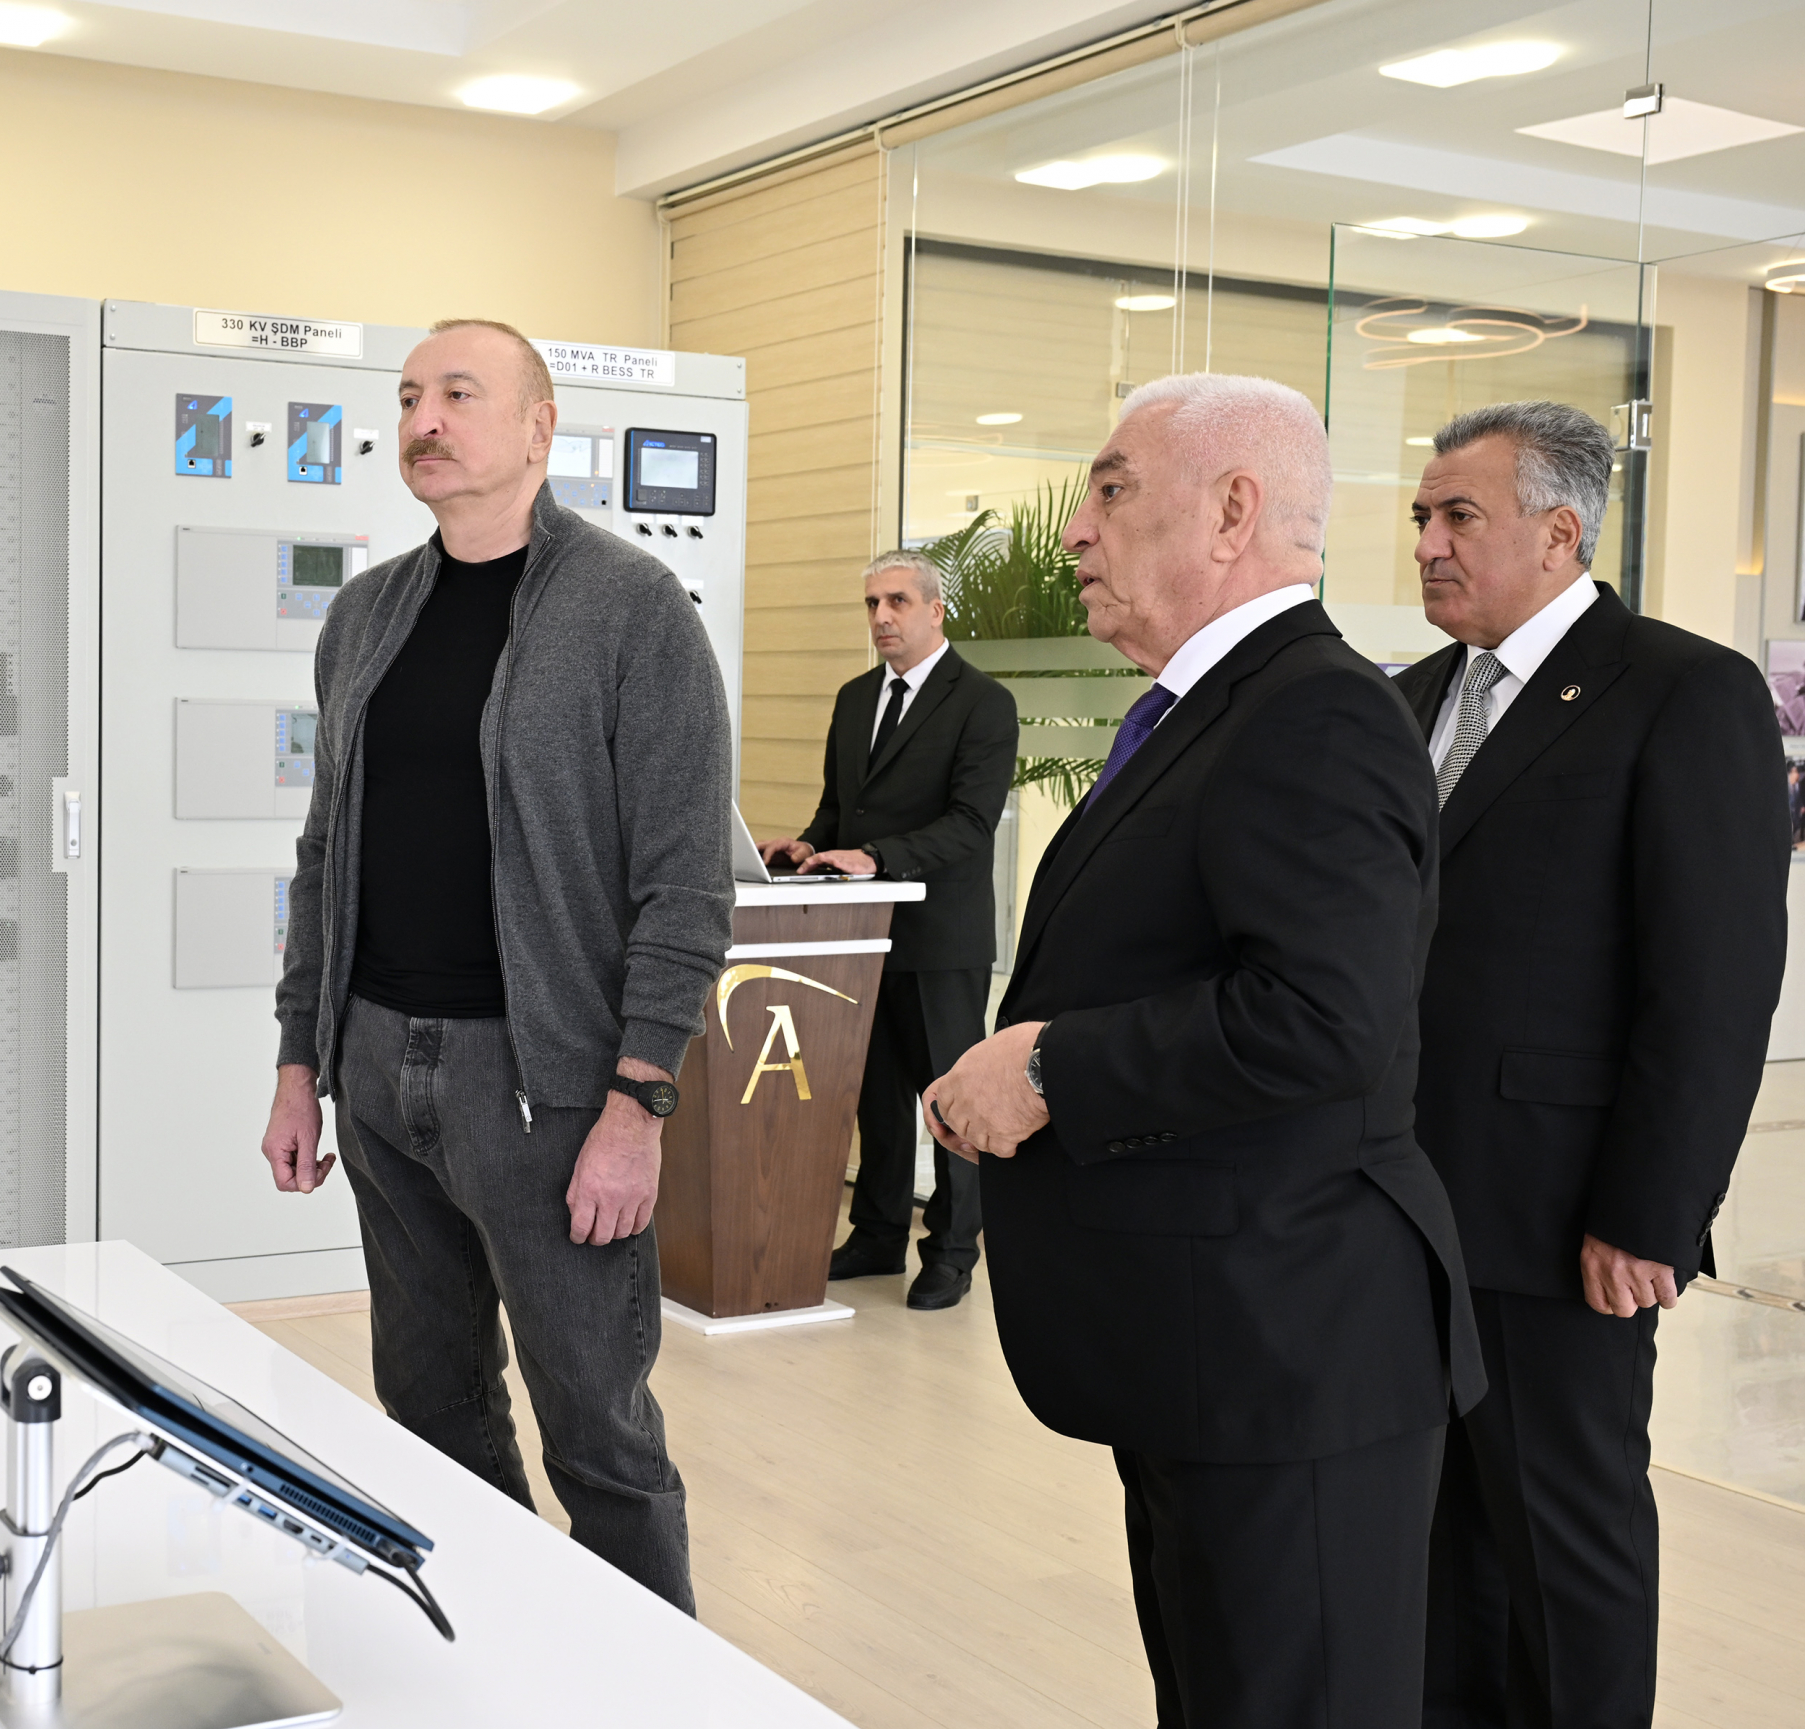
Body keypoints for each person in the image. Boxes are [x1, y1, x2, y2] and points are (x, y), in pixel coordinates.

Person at [922, 373, 1484, 1728]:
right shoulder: (1210, 710)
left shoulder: (1314, 712)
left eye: (1111, 490)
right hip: (1210, 1346)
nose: (1076, 530)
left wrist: (1045, 1069)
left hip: (1290, 1352)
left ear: (1233, 510)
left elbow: (1322, 1016)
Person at [260, 318, 733, 1610]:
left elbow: (686, 884)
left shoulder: (632, 609)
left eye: (459, 394)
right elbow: (325, 854)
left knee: (599, 1432)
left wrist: (637, 1105)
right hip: (376, 1067)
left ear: (538, 428)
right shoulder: (364, 616)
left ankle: (649, 1688)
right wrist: (301, 1061)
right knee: (429, 1408)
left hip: (548, 1093)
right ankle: (498, 1654)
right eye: (411, 395)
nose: (425, 419)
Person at [1392, 401, 1787, 1729]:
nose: (1427, 544)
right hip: (1397, 1207)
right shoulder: (1407, 698)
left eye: (1459, 516)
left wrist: (1649, 1213)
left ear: (1560, 533)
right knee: (1437, 1538)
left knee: (1564, 1541)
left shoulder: (1682, 691)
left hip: (1561, 1219)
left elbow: (1713, 984)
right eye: (1421, 517)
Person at [757, 549, 1018, 1309]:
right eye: (872, 604)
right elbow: (839, 810)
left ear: (936, 609)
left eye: (898, 601)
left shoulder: (983, 703)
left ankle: (953, 1251)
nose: (881, 617)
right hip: (859, 935)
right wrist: (807, 845)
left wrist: (876, 858)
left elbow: (970, 823)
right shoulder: (854, 698)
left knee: (951, 1101)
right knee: (873, 1097)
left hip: (939, 937)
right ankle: (876, 1235)